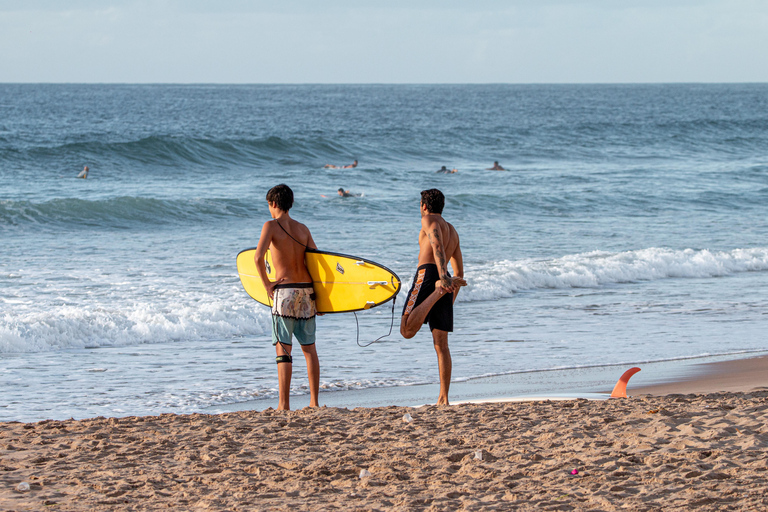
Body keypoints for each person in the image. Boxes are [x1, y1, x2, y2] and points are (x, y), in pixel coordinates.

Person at [253, 184, 320, 411]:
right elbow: (317, 263)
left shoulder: (270, 226)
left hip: (285, 293)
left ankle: (284, 404)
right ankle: (314, 402)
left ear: (273, 204)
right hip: (307, 292)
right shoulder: (303, 229)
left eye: (268, 206)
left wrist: (267, 285)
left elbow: (257, 258)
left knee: (283, 348)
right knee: (309, 349)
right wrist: (320, 299)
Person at [400, 189, 466, 405]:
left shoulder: (428, 220)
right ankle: (444, 398)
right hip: (446, 280)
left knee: (406, 329)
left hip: (431, 276)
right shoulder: (454, 232)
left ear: (424, 205)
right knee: (442, 345)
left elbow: (436, 244)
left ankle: (436, 291)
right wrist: (447, 296)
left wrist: (440, 281)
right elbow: (460, 274)